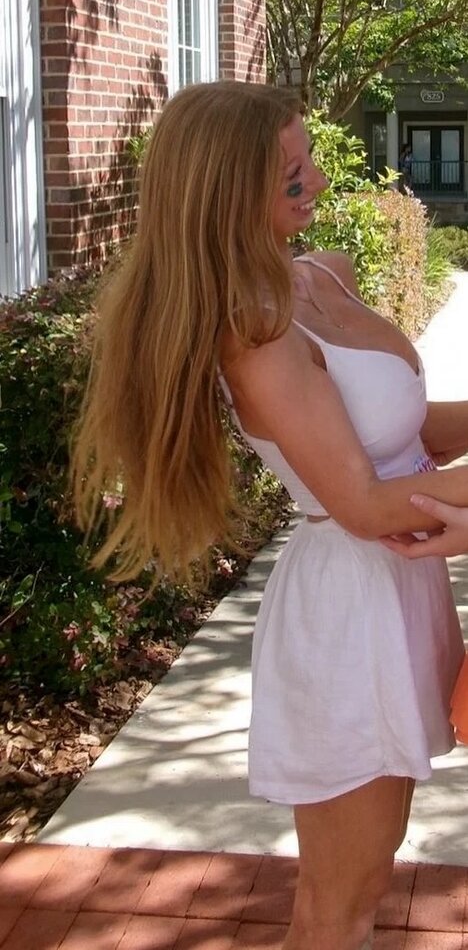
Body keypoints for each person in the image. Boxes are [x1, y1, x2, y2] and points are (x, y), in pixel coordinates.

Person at [72, 81, 468, 950]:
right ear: (228, 190)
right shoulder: (254, 339)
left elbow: (411, 434)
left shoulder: (323, 275)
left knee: (372, 871)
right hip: (348, 615)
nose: (317, 180)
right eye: (292, 173)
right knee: (339, 907)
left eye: (309, 157)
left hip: (402, 592)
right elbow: (364, 504)